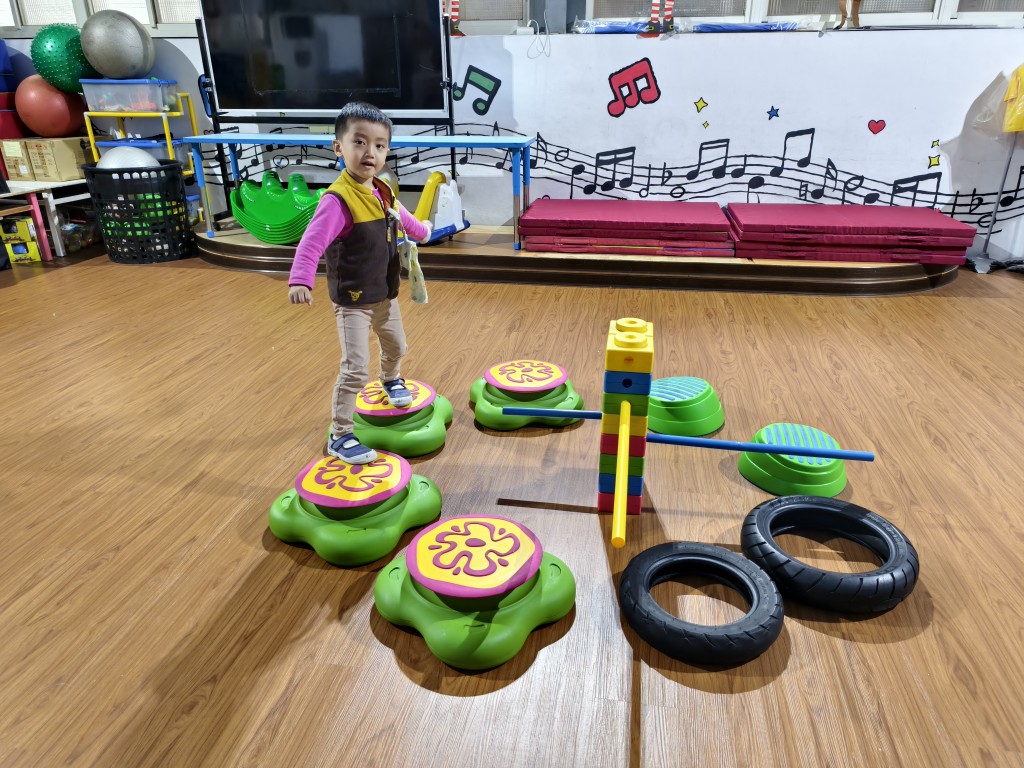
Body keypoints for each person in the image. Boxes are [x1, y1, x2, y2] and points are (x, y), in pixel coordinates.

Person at [288, 102, 432, 464]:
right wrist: (301, 279)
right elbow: (311, 243)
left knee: (397, 346)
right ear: (339, 147)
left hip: (384, 293)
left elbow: (402, 217)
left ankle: (391, 378)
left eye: (380, 145)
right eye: (360, 142)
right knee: (354, 366)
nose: (370, 152)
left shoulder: (382, 190)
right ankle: (340, 434)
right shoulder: (337, 201)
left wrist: (423, 231)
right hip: (352, 300)